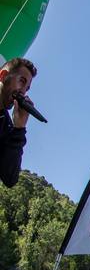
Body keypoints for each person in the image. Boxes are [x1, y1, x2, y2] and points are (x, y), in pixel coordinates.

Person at [0, 57, 37, 188]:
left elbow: (9, 178)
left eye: (27, 88)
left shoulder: (6, 127)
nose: (23, 92)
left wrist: (19, 128)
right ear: (3, 76)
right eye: (21, 81)